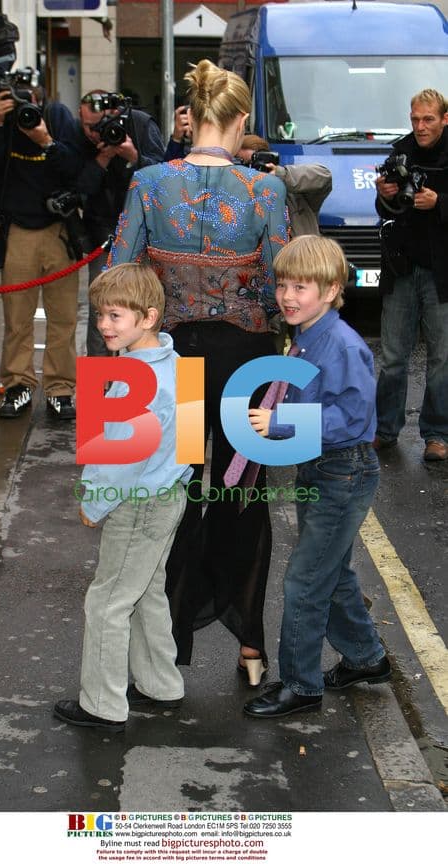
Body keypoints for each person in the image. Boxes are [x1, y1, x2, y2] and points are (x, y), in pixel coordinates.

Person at [108, 59, 289, 685]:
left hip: (174, 361)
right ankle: (251, 648)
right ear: (240, 120)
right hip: (249, 362)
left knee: (173, 492)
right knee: (244, 492)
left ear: (193, 117)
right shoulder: (266, 190)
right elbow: (279, 285)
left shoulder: (150, 183)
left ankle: (169, 647)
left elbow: (120, 273)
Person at [243, 235, 390, 719]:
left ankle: (302, 686)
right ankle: (367, 659)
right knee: (333, 572)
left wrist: (281, 423)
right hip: (323, 467)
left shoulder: (341, 344)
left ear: (330, 290)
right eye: (283, 284)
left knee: (305, 581)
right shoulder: (308, 332)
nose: (287, 295)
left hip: (342, 471)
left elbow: (352, 419)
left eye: (300, 286)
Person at [53, 263, 192, 729]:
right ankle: (160, 684)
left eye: (115, 316)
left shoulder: (130, 378)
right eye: (100, 316)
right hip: (169, 496)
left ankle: (102, 704)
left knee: (108, 601)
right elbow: (192, 443)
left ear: (148, 317)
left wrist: (94, 503)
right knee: (147, 590)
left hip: (136, 502)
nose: (104, 326)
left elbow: (118, 456)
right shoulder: (179, 363)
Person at [0, 72, 84, 420]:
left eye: (31, 96)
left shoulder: (57, 117)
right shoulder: (4, 124)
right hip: (18, 229)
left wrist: (45, 139)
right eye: (20, 96)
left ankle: (60, 389)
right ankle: (18, 385)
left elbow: (74, 168)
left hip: (58, 232)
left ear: (42, 95)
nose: (26, 104)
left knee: (63, 318)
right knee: (17, 318)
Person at [374, 88, 448, 462]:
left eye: (428, 119)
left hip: (442, 272)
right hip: (402, 267)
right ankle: (386, 430)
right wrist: (385, 192)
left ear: (445, 119)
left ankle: (437, 435)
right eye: (415, 119)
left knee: (442, 359)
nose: (420, 127)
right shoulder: (399, 151)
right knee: (392, 357)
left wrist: (440, 203)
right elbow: (385, 207)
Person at [76, 89, 165, 356]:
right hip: (102, 235)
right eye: (87, 126)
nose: (94, 132)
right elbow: (81, 188)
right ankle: (100, 388)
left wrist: (133, 157)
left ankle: (143, 379)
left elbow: (163, 177)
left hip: (145, 235)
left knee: (148, 313)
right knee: (101, 315)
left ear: (114, 114)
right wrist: (101, 158)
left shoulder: (139, 124)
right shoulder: (83, 141)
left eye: (98, 126)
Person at [238, 134, 332, 236]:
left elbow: (324, 175)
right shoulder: (238, 198)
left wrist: (282, 174)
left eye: (256, 164)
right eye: (245, 165)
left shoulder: (295, 195)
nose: (251, 170)